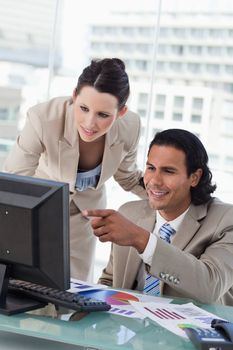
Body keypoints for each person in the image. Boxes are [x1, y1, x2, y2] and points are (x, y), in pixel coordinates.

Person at [3, 58, 146, 282]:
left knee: (72, 290)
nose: (90, 123)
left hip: (85, 218)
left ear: (121, 112)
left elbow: (127, 177)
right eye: (84, 108)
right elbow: (15, 179)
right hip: (37, 211)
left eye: (103, 115)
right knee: (27, 289)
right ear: (74, 96)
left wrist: (176, 200)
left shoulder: (130, 127)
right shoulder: (43, 118)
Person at [83, 128, 233, 305]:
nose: (154, 180)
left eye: (168, 171)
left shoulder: (225, 220)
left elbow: (210, 287)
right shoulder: (129, 213)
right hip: (132, 327)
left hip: (189, 330)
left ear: (194, 177)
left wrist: (142, 240)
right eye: (151, 168)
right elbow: (110, 282)